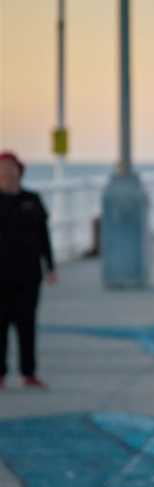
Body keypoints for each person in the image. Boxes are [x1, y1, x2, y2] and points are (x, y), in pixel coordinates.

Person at [0, 151, 56, 389]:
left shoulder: (32, 200)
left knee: (27, 325)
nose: (7, 172)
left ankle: (29, 373)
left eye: (11, 167)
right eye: (2, 168)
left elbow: (44, 236)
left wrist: (50, 266)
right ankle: (0, 375)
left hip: (28, 275)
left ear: (19, 170)